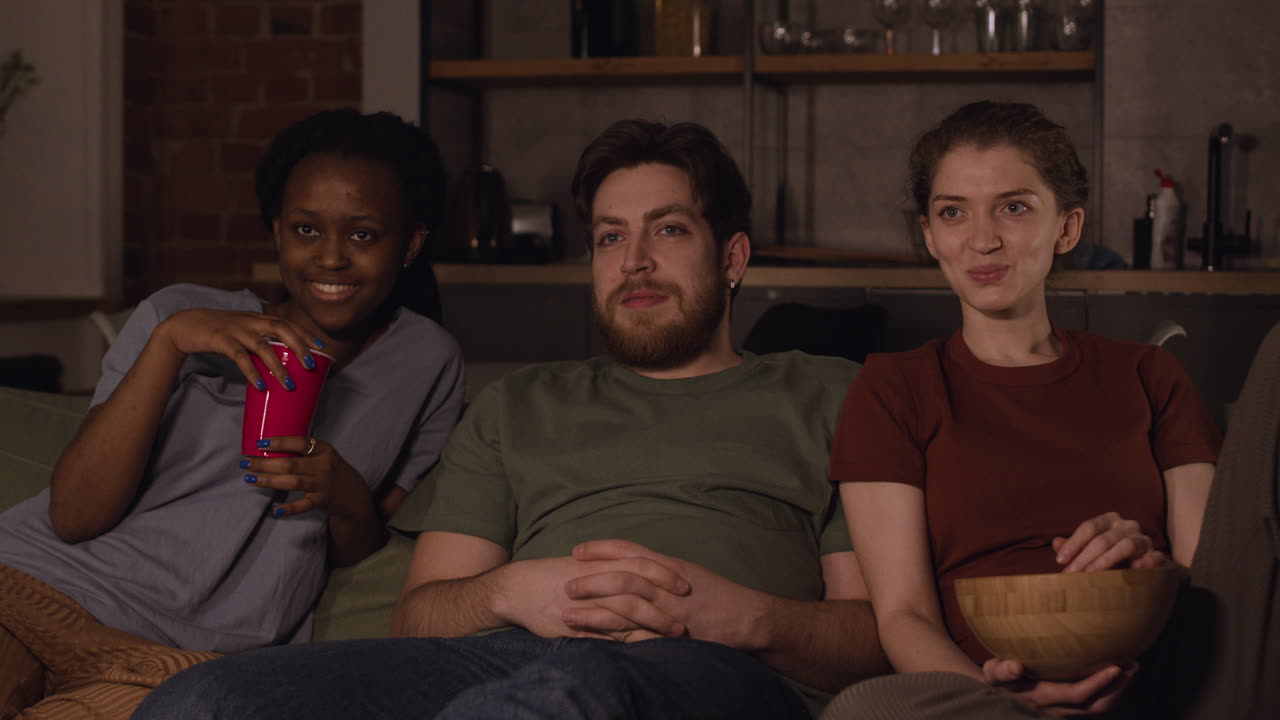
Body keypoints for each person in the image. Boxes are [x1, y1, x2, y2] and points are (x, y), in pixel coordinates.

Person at [133, 119, 891, 720]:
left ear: (731, 257)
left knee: (562, 700)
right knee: (202, 702)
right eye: (608, 237)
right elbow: (422, 615)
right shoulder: (518, 405)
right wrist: (509, 593)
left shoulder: (829, 393)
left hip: (712, 672)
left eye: (667, 230)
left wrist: (742, 617)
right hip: (511, 657)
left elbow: (871, 636)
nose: (633, 262)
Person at [0, 108, 464, 719]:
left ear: (410, 243)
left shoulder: (425, 361)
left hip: (184, 660)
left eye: (362, 234)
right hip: (32, 589)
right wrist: (169, 344)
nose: (329, 258)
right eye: (305, 230)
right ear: (276, 231)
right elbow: (74, 515)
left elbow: (366, 543)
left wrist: (344, 492)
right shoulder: (180, 313)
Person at [820, 100, 1263, 719]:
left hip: (1150, 672)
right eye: (953, 213)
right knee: (864, 710)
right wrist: (998, 698)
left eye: (1015, 207)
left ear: (1067, 228)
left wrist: (1154, 568)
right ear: (929, 236)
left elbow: (1211, 577)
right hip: (976, 692)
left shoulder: (1148, 375)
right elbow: (904, 616)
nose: (983, 239)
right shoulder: (893, 388)